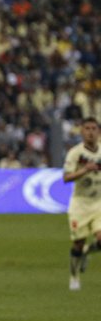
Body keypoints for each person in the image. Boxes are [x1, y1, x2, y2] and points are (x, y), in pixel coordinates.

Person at [63, 117, 101, 291]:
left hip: (99, 202)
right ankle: (74, 276)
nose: (91, 132)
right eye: (87, 128)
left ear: (98, 132)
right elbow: (66, 177)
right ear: (82, 132)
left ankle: (88, 251)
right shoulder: (75, 153)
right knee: (78, 243)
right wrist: (84, 170)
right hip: (80, 204)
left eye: (94, 128)